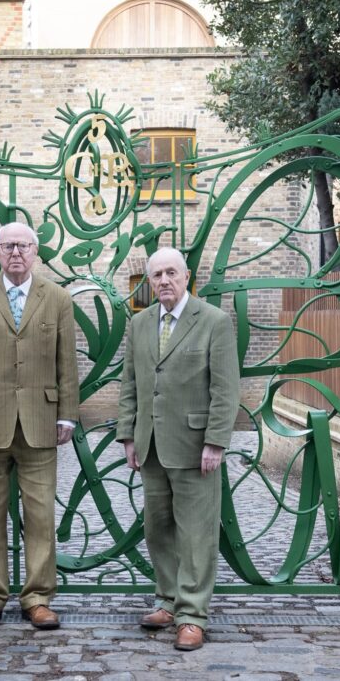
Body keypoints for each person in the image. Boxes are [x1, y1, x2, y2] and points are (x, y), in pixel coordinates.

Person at [0, 221, 80, 631]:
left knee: (40, 515)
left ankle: (38, 598)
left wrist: (67, 414)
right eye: (7, 246)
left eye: (23, 245)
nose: (16, 253)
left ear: (35, 251)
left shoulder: (57, 298)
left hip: (40, 422)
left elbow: (67, 363)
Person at [116, 247, 240, 651]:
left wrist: (216, 441)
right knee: (159, 531)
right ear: (149, 282)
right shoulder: (139, 323)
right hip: (151, 446)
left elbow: (225, 389)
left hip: (195, 447)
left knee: (197, 534)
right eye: (156, 276)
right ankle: (167, 601)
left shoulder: (214, 322)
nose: (164, 281)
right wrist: (129, 435)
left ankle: (192, 615)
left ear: (187, 276)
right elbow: (130, 384)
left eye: (171, 273)